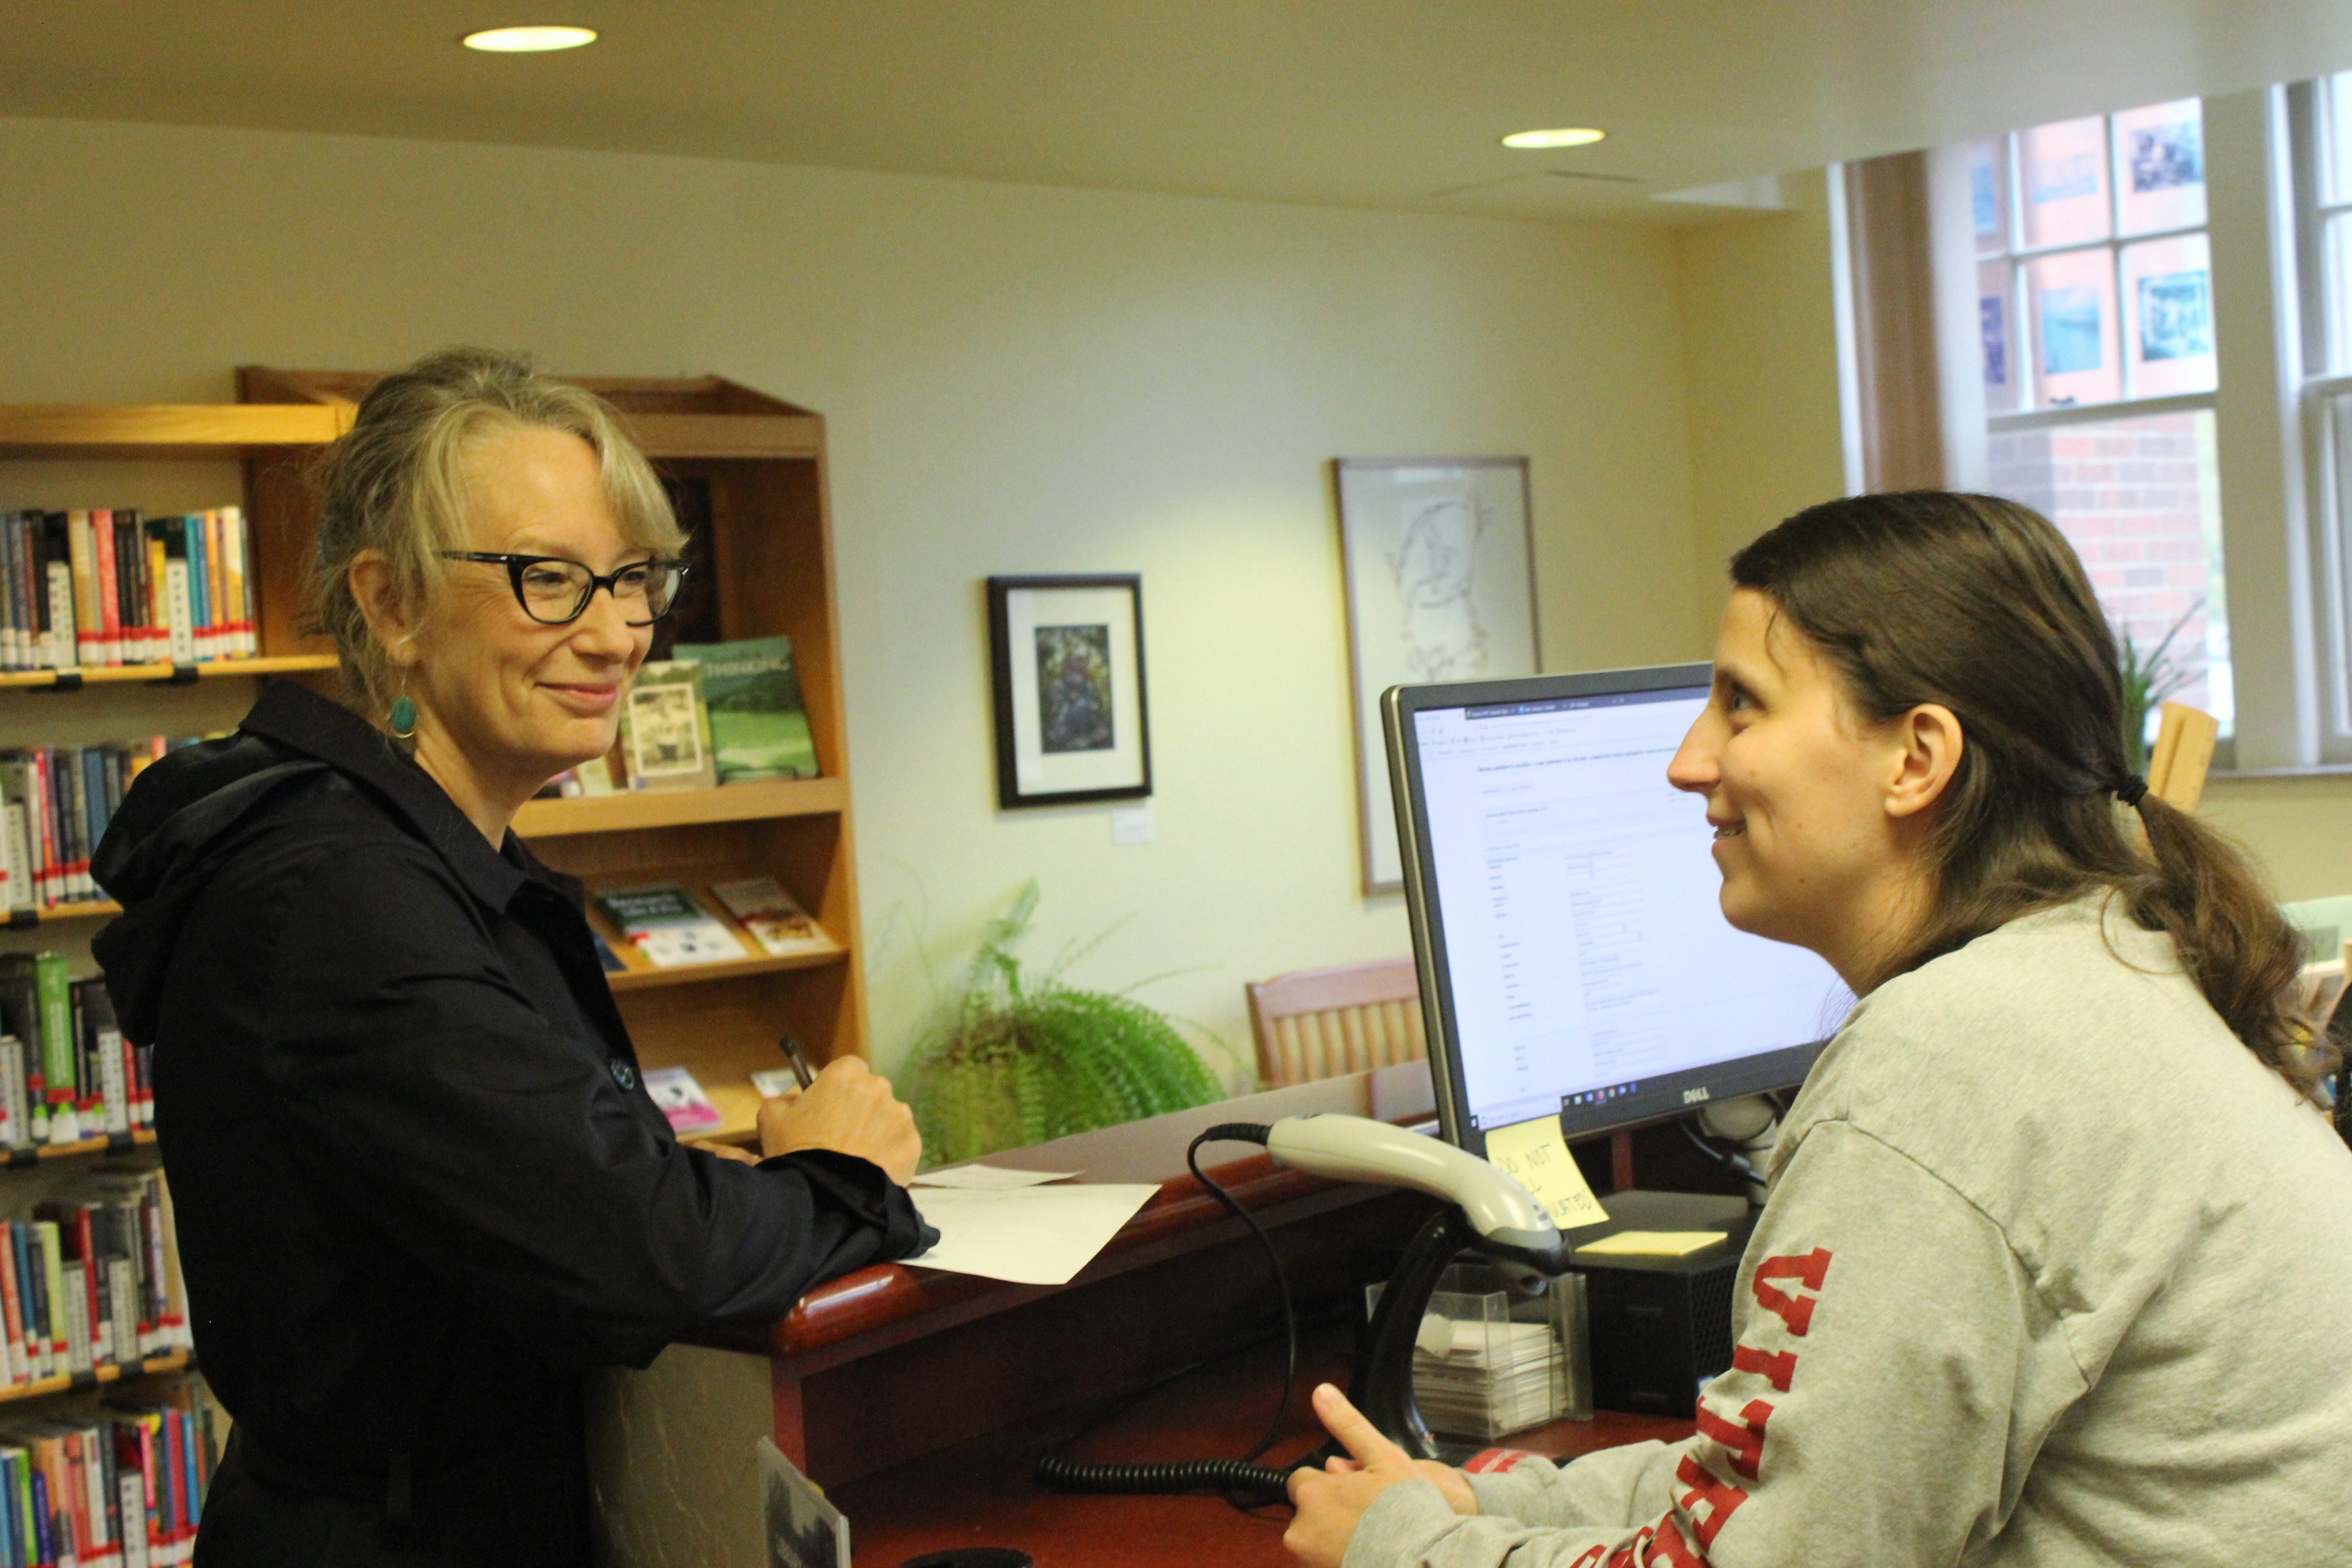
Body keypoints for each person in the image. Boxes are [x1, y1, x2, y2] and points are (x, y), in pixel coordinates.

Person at [1286, 491, 2352, 1567]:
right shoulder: (2110, 958)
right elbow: (1800, 1472)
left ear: (1917, 759)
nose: (1688, 761)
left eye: (1741, 704)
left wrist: (1400, 1550)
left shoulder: (1955, 1060)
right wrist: (1492, 1501)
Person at [91, 348, 934, 1567]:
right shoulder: (340, 898)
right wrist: (839, 1175)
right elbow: (644, 1255)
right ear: (388, 605)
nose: (618, 636)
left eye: (635, 580)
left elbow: (539, 1194)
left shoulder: (422, 863)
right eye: (551, 579)